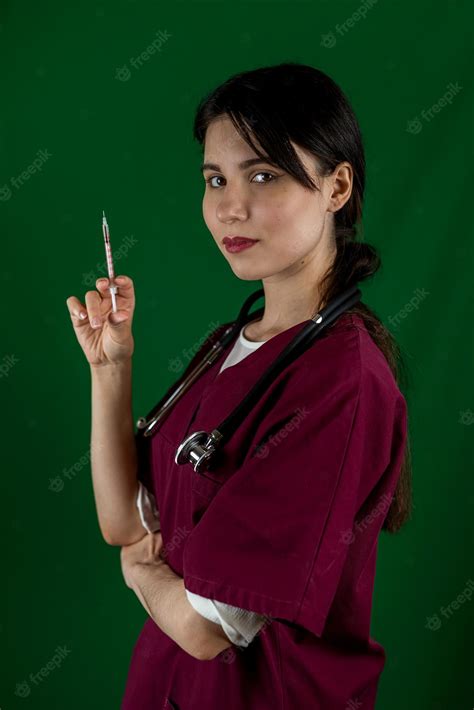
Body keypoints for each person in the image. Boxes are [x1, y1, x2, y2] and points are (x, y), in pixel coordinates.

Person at [66, 61, 413, 709]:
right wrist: (110, 368)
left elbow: (205, 628)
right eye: (215, 179)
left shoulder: (342, 380)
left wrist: (145, 570)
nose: (230, 205)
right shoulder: (231, 343)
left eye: (263, 175)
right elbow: (124, 520)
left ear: (337, 187)